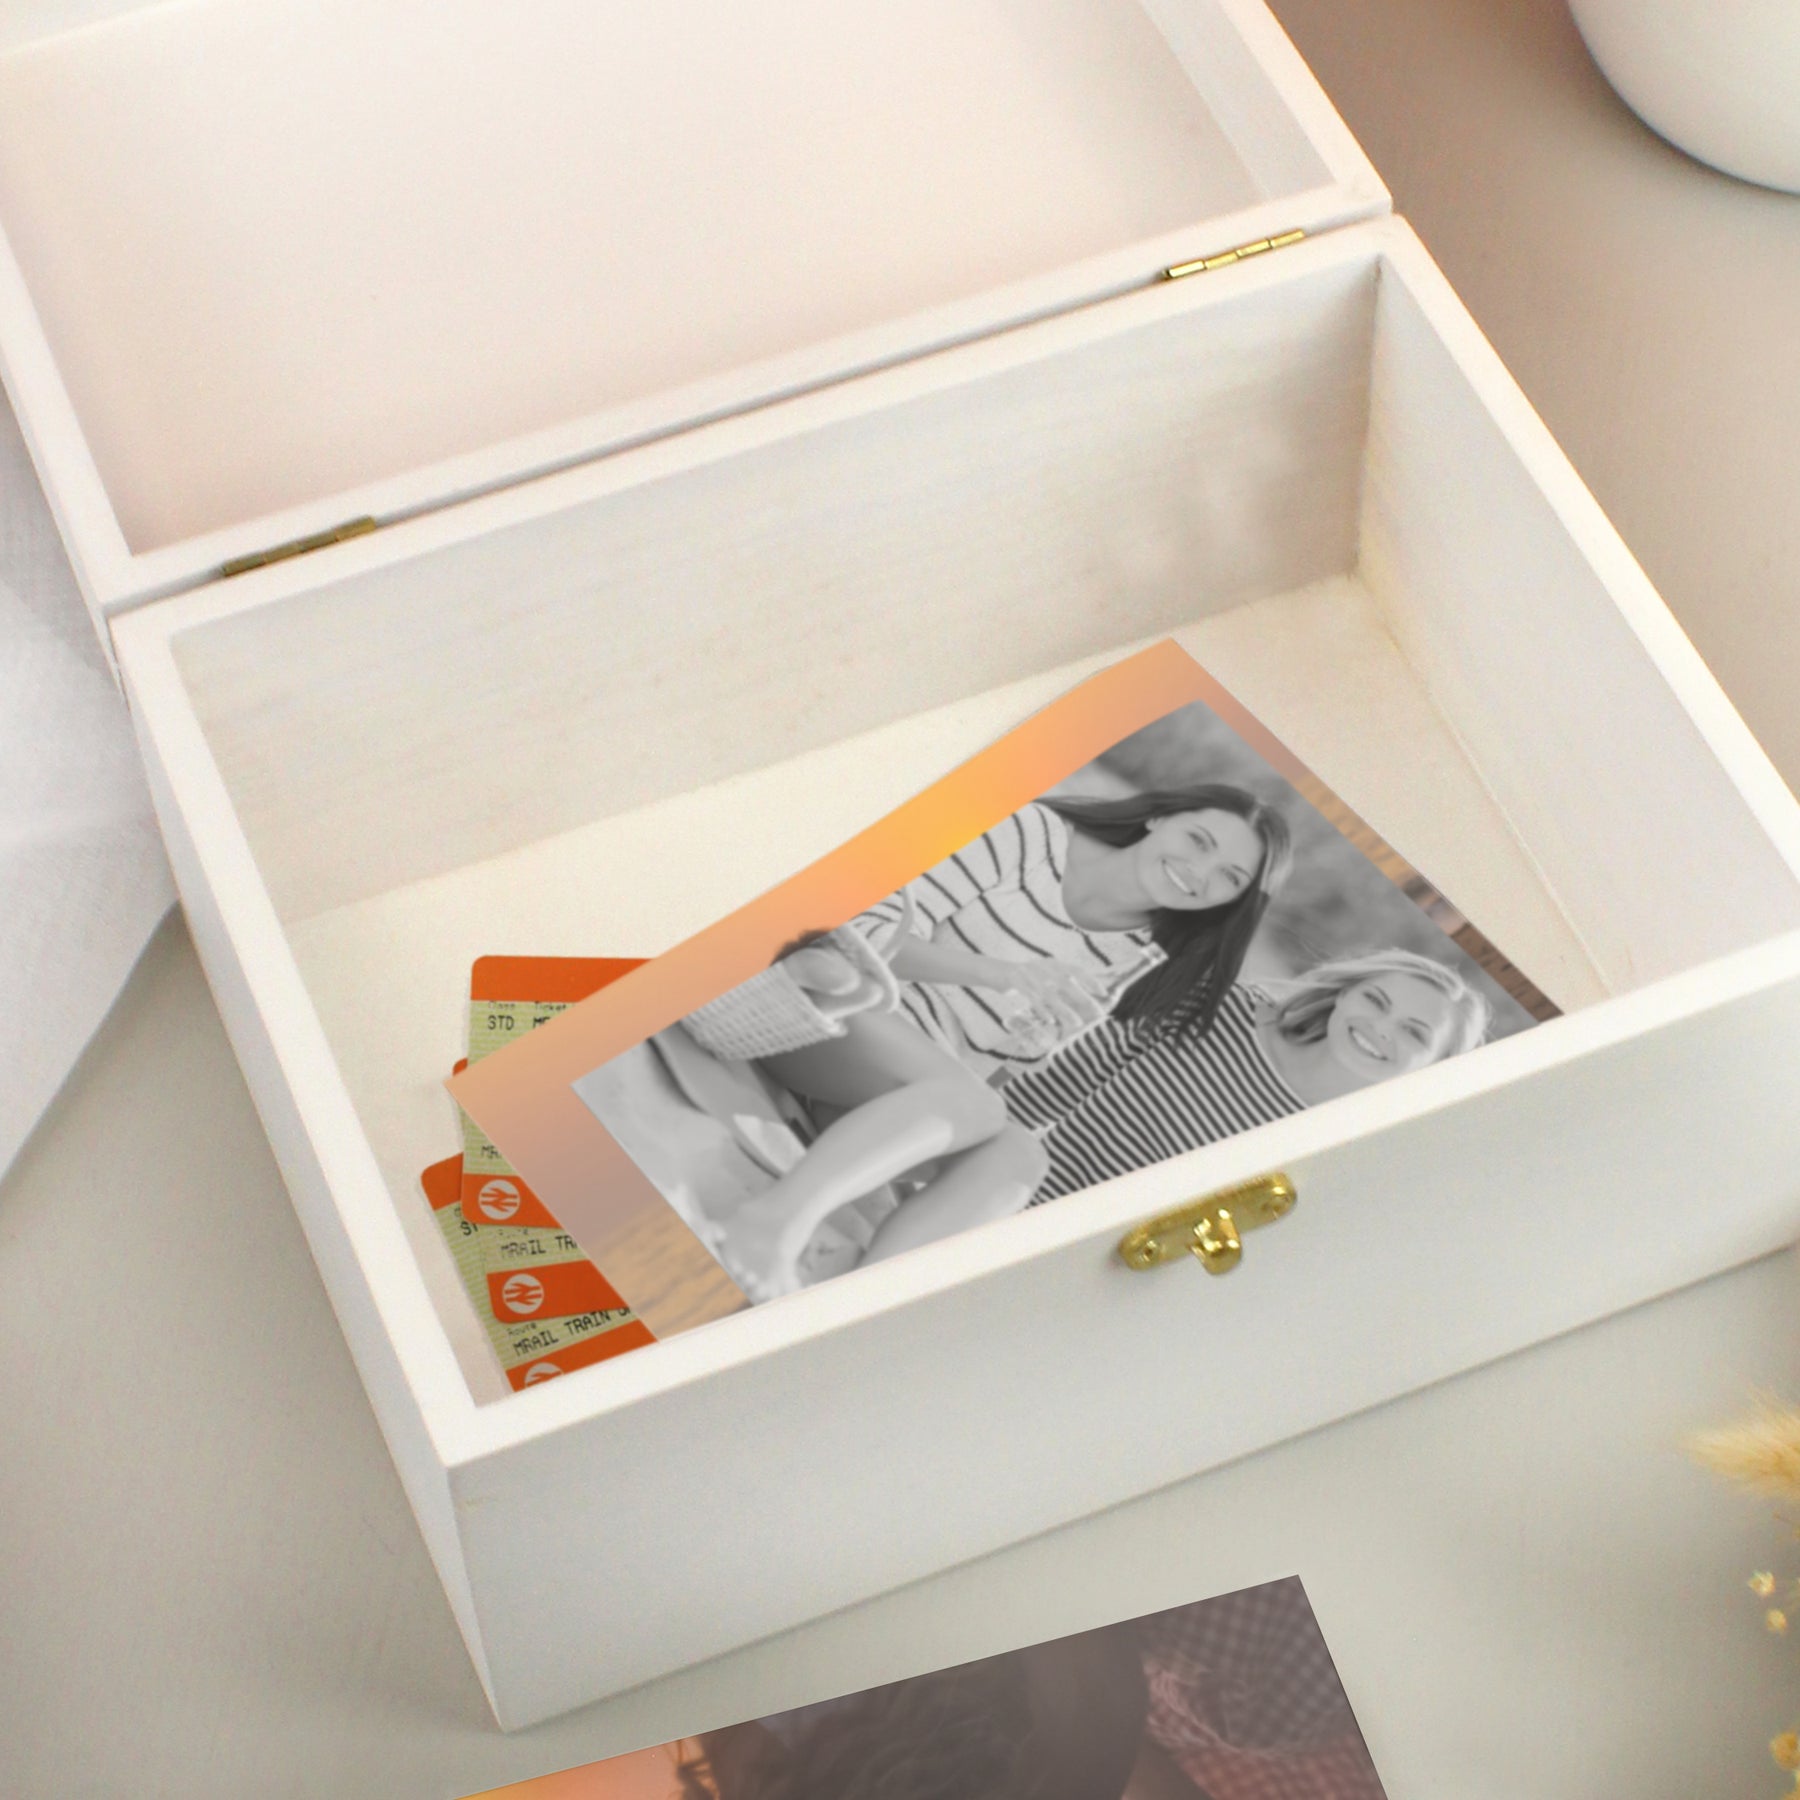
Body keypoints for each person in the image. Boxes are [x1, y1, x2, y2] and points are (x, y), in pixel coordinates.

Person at [716, 788, 1293, 1298]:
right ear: (1159, 818)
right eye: (1198, 840)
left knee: (1021, 1155)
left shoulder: (1133, 962)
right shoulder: (1033, 836)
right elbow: (866, 934)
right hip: (832, 1017)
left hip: (897, 1093)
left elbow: (988, 1072)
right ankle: (772, 1221)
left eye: (1229, 878)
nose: (1200, 871)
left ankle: (853, 1302)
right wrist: (1002, 975)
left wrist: (1026, 1044)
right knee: (974, 1102)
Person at [1004, 948, 1491, 1203]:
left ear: (1436, 1068)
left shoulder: (1347, 1160)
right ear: (1344, 993)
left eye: (1414, 1033)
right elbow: (1032, 1098)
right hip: (999, 1199)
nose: (1380, 1028)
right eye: (1374, 1000)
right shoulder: (1214, 1005)